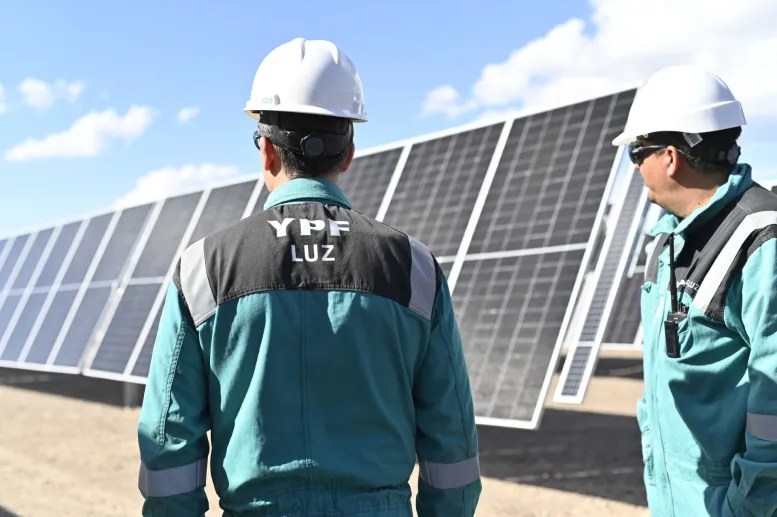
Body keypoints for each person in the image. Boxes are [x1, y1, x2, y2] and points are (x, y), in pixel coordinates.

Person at [136, 37, 481, 517]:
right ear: (348, 154)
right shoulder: (413, 267)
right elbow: (453, 435)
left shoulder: (204, 268)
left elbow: (167, 439)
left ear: (267, 154)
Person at [612, 65, 777, 516]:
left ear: (670, 157)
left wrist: (746, 507)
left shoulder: (763, 241)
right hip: (679, 497)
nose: (636, 167)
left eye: (636, 154)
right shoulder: (667, 241)